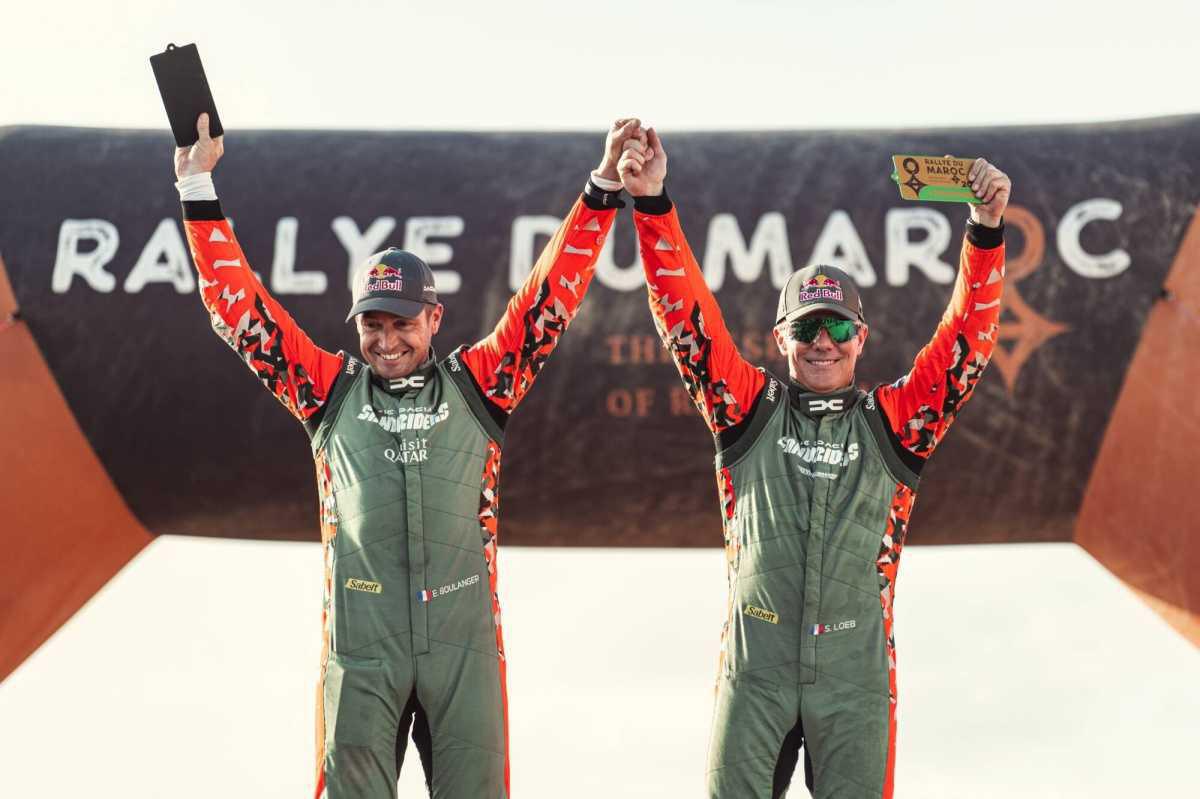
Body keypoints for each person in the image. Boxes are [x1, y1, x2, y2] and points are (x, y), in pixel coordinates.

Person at [174, 114, 642, 799]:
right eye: (374, 324)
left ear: (434, 318)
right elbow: (241, 307)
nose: (387, 340)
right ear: (357, 322)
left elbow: (549, 299)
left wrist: (602, 186)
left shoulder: (480, 385)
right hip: (362, 649)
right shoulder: (326, 392)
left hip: (464, 648)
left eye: (402, 322)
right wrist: (195, 184)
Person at [618, 130, 1009, 799]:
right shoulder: (749, 409)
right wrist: (652, 204)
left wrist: (986, 230)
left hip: (854, 672)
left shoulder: (893, 423)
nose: (821, 342)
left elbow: (964, 348)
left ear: (861, 336)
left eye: (835, 327)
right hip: (757, 666)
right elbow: (687, 318)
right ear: (780, 338)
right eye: (806, 328)